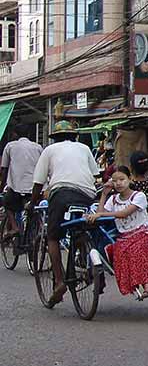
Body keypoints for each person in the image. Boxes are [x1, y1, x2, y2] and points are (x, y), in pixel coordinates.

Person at [29, 121, 99, 307]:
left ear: (55, 138)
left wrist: (32, 203)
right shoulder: (84, 148)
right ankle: (85, 252)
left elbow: (38, 182)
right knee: (83, 226)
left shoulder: (49, 150)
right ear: (73, 136)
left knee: (53, 237)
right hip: (86, 194)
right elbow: (95, 174)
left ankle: (59, 281)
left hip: (61, 194)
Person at [88, 165, 148, 296]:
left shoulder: (139, 196)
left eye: (122, 179)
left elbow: (124, 213)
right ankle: (147, 285)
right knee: (122, 252)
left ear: (130, 179)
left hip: (142, 232)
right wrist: (104, 194)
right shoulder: (113, 199)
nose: (118, 183)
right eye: (115, 181)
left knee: (139, 249)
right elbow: (100, 214)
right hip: (124, 237)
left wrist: (100, 214)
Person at [1, 127, 43, 241]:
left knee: (6, 203)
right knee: (33, 209)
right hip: (35, 187)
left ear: (15, 134)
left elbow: (4, 169)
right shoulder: (38, 147)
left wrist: (1, 187)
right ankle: (32, 232)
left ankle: (15, 227)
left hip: (16, 187)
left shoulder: (10, 146)